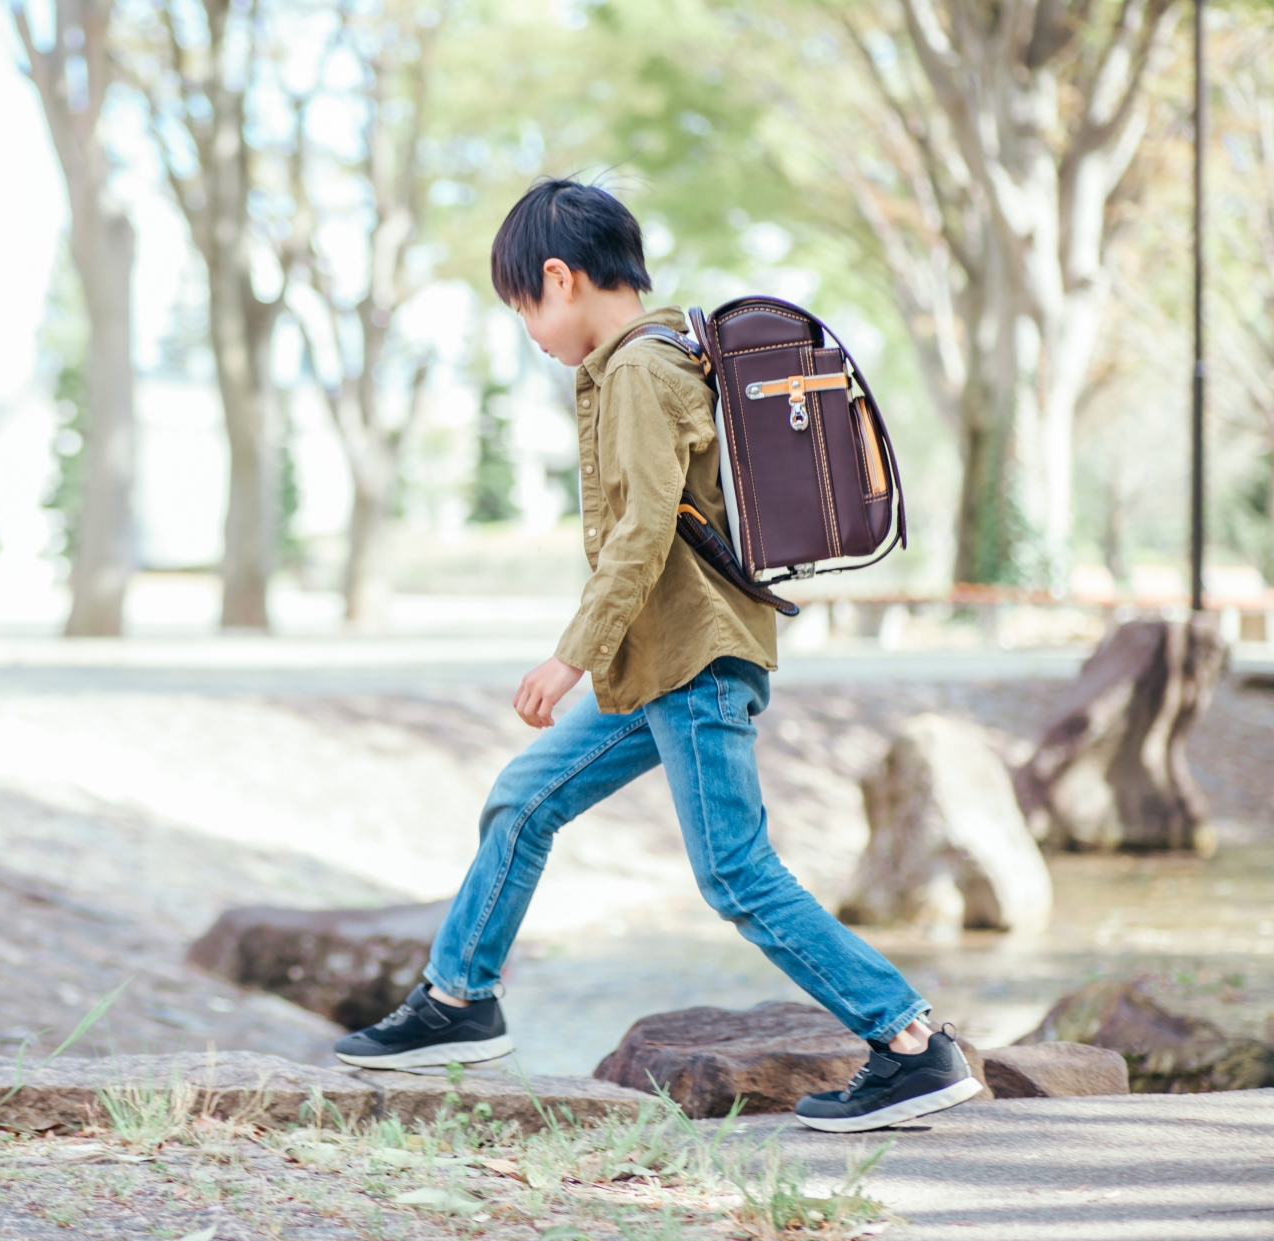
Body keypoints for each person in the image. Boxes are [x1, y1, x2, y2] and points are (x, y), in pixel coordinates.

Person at [332, 178, 981, 1134]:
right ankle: (459, 999)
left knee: (737, 875)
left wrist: (569, 657)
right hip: (658, 664)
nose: (529, 332)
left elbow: (641, 532)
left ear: (561, 279)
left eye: (524, 308)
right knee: (524, 799)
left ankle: (911, 1042)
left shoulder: (640, 368)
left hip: (695, 664)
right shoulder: (650, 359)